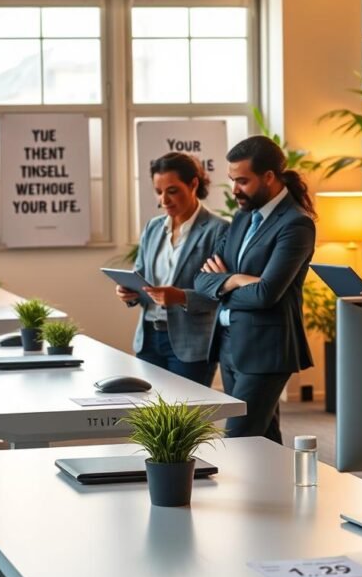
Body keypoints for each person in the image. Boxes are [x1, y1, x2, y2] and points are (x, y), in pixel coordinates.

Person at [194, 135, 316, 442]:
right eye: (232, 180)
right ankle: (281, 477)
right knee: (264, 440)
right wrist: (236, 279)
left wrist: (223, 283)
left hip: (265, 350)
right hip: (230, 344)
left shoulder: (296, 224)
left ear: (269, 177)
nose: (234, 189)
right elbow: (201, 280)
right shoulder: (242, 217)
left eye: (243, 181)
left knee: (238, 441)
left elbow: (265, 295)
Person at [115, 152, 228, 387]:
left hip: (191, 344)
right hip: (148, 339)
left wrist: (181, 297)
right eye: (159, 191)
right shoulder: (153, 227)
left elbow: (223, 293)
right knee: (149, 409)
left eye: (172, 191)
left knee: (186, 409)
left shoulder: (218, 230)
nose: (164, 200)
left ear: (193, 184)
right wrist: (129, 292)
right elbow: (140, 274)